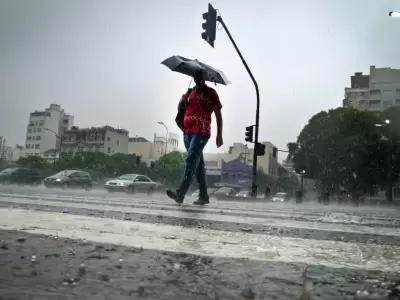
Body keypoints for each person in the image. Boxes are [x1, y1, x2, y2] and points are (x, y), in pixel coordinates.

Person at [167, 70, 223, 205]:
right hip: (187, 133)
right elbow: (181, 108)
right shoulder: (189, 92)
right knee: (198, 166)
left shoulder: (211, 93)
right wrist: (182, 100)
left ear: (204, 78)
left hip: (201, 131)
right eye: (195, 75)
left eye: (199, 75)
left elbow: (218, 114)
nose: (197, 77)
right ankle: (204, 196)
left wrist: (219, 134)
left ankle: (180, 193)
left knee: (191, 159)